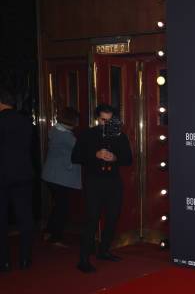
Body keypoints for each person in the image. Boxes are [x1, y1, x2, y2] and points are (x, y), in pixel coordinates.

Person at [71, 104, 132, 273]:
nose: (106, 123)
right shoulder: (87, 134)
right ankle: (83, 259)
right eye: (103, 120)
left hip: (113, 182)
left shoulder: (120, 136)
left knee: (113, 217)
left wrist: (115, 157)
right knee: (91, 219)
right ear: (97, 118)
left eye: (109, 120)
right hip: (94, 182)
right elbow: (75, 157)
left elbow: (128, 159)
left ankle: (104, 250)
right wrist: (95, 155)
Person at [0, 86, 34, 271]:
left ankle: (3, 261)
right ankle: (25, 259)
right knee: (25, 218)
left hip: (2, 176)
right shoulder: (26, 121)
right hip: (23, 174)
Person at [42, 107, 81, 247]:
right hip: (60, 177)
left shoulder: (56, 130)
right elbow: (78, 150)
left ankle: (49, 232)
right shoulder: (66, 136)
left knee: (58, 205)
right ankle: (55, 237)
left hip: (51, 175)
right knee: (62, 207)